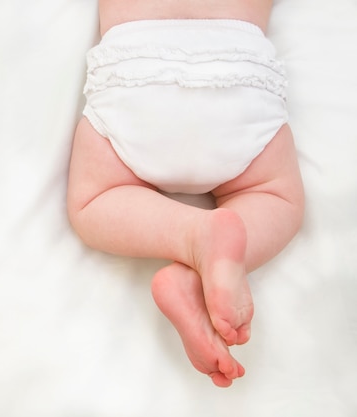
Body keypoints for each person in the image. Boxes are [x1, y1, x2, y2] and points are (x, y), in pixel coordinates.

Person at [66, 0, 305, 388]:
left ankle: (192, 235)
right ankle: (197, 273)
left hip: (137, 74)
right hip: (238, 76)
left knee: (94, 200)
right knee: (277, 198)